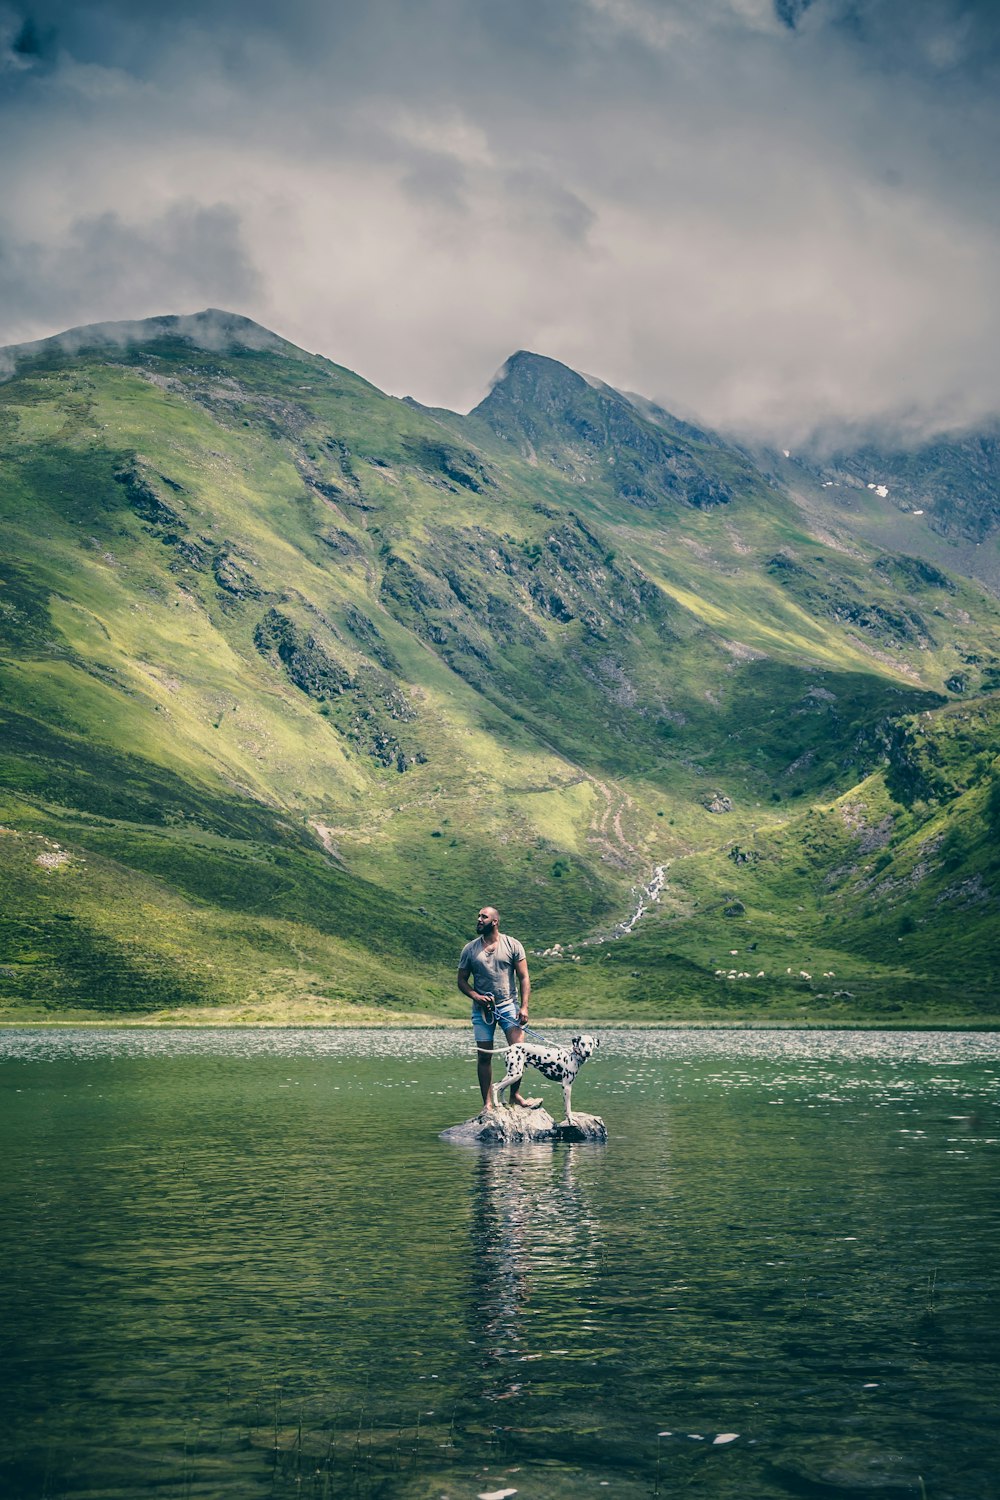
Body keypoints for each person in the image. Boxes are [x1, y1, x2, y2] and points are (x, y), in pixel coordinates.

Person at [457, 905, 540, 1110]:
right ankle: (487, 1104)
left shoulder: (513, 945)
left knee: (518, 1052)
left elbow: (524, 977)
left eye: (483, 917)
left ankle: (515, 1097)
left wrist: (525, 1007)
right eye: (478, 916)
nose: (478, 919)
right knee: (484, 1056)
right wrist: (476, 996)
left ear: (495, 921)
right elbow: (461, 980)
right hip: (482, 1011)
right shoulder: (470, 949)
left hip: (509, 1006)